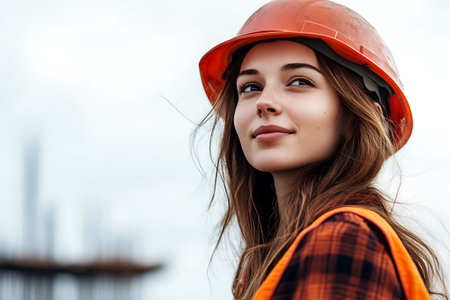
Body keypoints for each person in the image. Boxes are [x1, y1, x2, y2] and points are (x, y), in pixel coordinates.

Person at [197, 0, 448, 299]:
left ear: (357, 115)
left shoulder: (344, 239)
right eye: (250, 87)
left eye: (299, 81)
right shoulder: (271, 262)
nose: (264, 102)